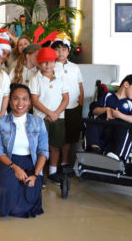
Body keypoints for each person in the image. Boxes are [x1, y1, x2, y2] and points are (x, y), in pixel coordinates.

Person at [0, 84, 48, 218]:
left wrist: (36, 175)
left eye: (24, 99)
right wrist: (14, 167)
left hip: (30, 162)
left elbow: (43, 152)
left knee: (28, 192)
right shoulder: (0, 122)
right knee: (9, 192)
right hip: (8, 161)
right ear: (10, 101)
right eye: (16, 98)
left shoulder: (38, 122)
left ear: (30, 103)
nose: (20, 103)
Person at [85, 74, 132, 161]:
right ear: (126, 84)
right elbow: (94, 110)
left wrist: (120, 115)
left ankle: (116, 156)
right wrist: (106, 109)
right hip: (104, 126)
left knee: (126, 129)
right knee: (92, 122)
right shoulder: (108, 96)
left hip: (121, 129)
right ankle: (94, 149)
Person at [30, 47, 68, 183]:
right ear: (39, 64)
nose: (48, 65)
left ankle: (53, 171)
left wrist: (55, 114)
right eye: (44, 62)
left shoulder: (60, 78)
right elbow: (34, 100)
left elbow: (66, 98)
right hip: (41, 118)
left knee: (55, 146)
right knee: (40, 147)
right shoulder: (35, 79)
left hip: (58, 117)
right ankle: (38, 173)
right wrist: (49, 113)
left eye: (51, 61)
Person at [52, 33, 84, 164]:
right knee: (57, 137)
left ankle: (64, 163)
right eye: (57, 49)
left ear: (68, 51)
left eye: (63, 49)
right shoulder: (51, 66)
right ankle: (53, 164)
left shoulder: (75, 67)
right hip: (57, 108)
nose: (60, 52)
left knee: (68, 138)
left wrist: (80, 105)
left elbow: (80, 86)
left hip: (73, 107)